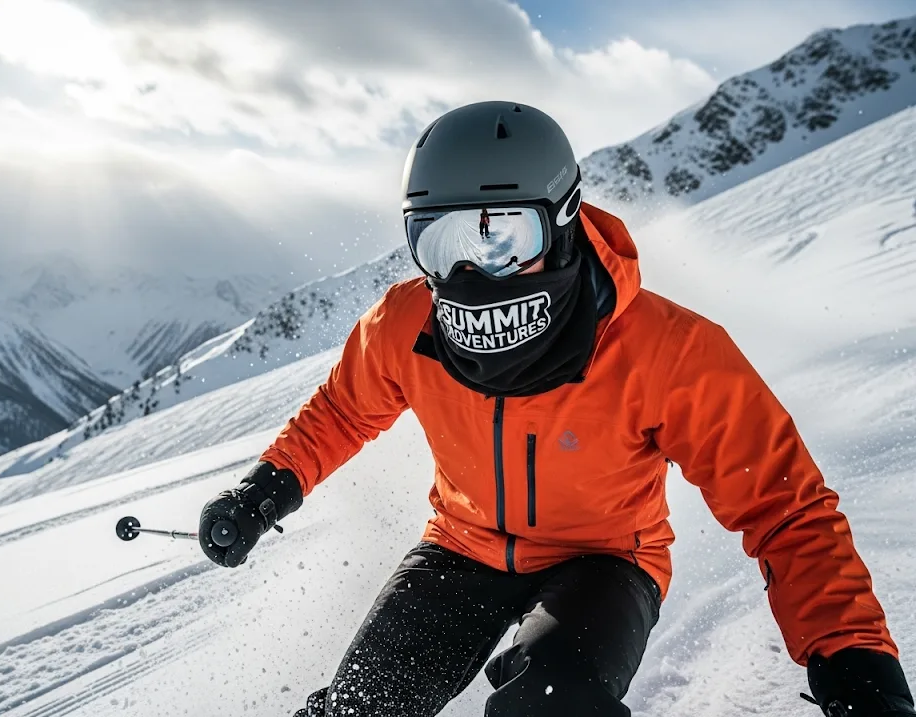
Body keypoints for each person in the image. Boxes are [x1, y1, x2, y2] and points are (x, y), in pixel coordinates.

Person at [198, 101, 914, 716]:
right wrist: (264, 489)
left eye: (502, 235)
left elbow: (781, 505)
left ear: (564, 218)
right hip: (463, 547)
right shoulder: (408, 323)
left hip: (604, 562)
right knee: (362, 702)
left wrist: (852, 653)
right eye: (442, 244)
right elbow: (343, 410)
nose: (473, 274)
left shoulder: (665, 349)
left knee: (556, 700)